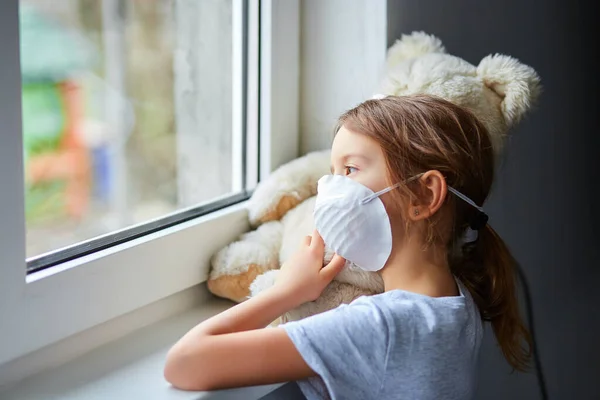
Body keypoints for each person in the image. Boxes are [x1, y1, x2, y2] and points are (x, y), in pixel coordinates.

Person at [163, 94, 532, 399]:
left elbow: (184, 363)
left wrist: (286, 292)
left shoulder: (381, 327)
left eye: (350, 170)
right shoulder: (456, 303)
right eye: (333, 170)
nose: (331, 188)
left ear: (425, 194)